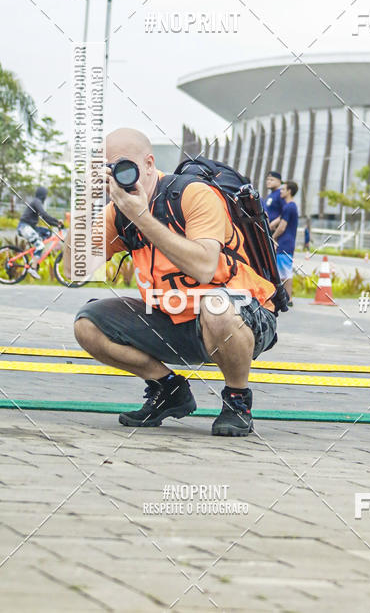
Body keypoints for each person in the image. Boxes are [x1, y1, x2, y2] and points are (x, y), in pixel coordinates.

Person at [64, 127, 278, 436]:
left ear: (149, 164)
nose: (119, 178)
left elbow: (204, 267)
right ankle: (169, 389)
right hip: (173, 316)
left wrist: (142, 217)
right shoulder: (118, 212)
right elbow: (74, 271)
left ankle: (237, 399)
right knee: (88, 324)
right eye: (108, 170)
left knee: (216, 307)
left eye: (125, 167)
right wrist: (85, 202)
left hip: (243, 315)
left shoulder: (193, 194)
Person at [17, 186, 63, 279]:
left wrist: (57, 224)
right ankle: (33, 268)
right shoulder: (36, 202)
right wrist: (57, 222)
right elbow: (44, 215)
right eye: (45, 195)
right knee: (40, 245)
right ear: (43, 195)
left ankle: (35, 256)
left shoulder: (37, 202)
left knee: (47, 233)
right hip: (24, 227)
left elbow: (46, 219)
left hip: (31, 227)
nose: (45, 197)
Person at [272, 180, 299, 306]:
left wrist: (273, 237)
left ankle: (288, 299)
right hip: (288, 243)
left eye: (283, 189)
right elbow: (279, 220)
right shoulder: (290, 206)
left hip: (285, 243)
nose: (281, 192)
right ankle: (287, 298)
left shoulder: (289, 207)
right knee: (284, 271)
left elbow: (282, 226)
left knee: (285, 272)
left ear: (289, 191)